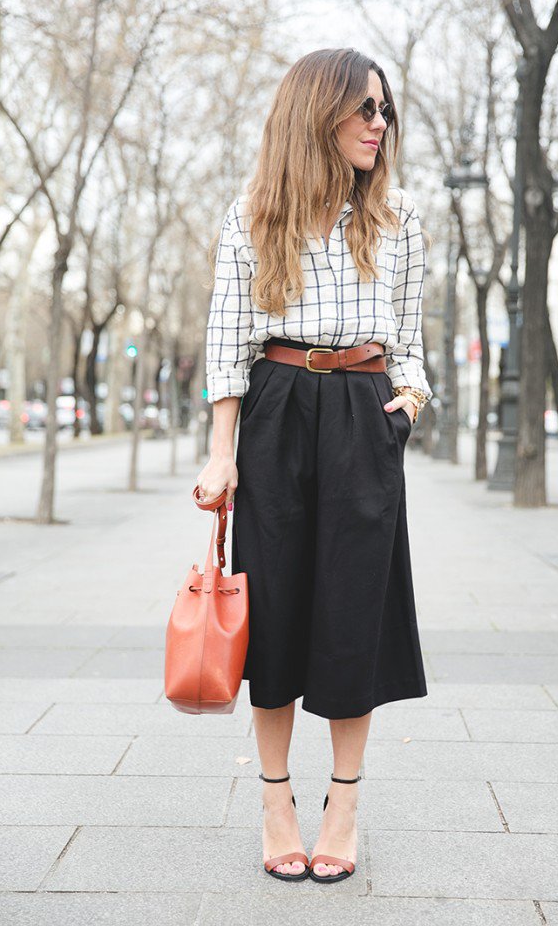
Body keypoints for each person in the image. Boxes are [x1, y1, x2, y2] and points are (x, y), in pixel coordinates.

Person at [197, 47, 432, 885]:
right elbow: (227, 340)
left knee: (352, 607)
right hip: (277, 407)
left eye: (384, 111)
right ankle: (274, 803)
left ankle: (344, 802)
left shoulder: (400, 216)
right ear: (318, 112)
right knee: (279, 610)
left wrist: (407, 400)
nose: (380, 125)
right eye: (365, 109)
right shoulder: (253, 215)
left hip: (363, 412)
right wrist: (222, 454)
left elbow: (411, 337)